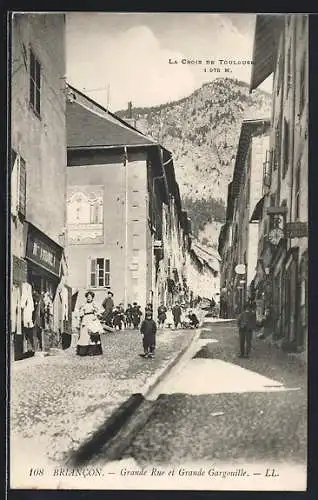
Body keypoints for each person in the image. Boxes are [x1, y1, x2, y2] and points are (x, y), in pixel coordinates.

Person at [77, 291, 103, 356]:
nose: (89, 298)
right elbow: (80, 313)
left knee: (92, 335)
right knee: (84, 335)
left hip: (92, 319)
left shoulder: (94, 304)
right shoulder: (84, 305)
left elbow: (99, 312)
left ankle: (92, 351)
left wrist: (95, 316)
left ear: (92, 298)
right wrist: (81, 315)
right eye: (87, 297)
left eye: (90, 297)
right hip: (85, 320)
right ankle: (83, 351)